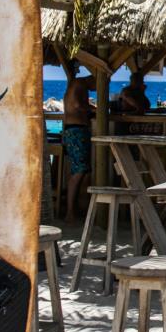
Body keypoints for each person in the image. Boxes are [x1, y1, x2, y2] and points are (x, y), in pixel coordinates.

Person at [62, 63, 95, 221]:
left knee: (82, 170)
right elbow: (76, 105)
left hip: (76, 130)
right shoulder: (79, 84)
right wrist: (93, 109)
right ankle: (69, 212)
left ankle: (77, 208)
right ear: (93, 79)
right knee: (79, 171)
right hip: (76, 131)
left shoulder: (79, 85)